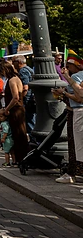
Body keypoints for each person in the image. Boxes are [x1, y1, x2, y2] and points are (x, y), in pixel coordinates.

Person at [52, 53, 83, 184]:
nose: (66, 68)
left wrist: (63, 93)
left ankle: (74, 172)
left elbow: (79, 97)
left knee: (77, 146)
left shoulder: (76, 76)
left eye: (69, 66)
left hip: (76, 112)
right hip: (76, 111)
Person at [0, 60, 29, 164]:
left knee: (18, 134)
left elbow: (16, 97)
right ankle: (19, 158)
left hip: (16, 110)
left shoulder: (12, 80)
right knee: (18, 134)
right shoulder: (15, 78)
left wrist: (6, 109)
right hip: (17, 109)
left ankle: (21, 158)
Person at [12, 55, 35, 136]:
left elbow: (25, 87)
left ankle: (33, 139)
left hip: (27, 99)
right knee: (32, 119)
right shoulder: (30, 69)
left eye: (13, 62)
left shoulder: (23, 71)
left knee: (29, 121)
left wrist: (21, 98)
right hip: (32, 97)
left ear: (19, 63)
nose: (12, 64)